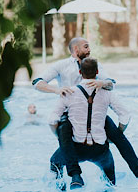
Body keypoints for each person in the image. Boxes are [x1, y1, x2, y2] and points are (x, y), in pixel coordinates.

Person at [33, 37, 138, 188]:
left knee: (118, 137)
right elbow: (37, 82)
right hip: (70, 116)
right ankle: (71, 179)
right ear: (76, 50)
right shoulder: (61, 65)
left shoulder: (93, 64)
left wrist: (103, 82)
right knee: (63, 132)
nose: (89, 49)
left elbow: (111, 83)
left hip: (95, 115)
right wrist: (57, 90)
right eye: (86, 47)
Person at [47, 57, 129, 188]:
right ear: (97, 72)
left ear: (80, 72)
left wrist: (60, 138)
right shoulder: (107, 93)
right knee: (109, 179)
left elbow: (52, 120)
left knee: (55, 163)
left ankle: (61, 188)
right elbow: (125, 115)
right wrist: (115, 135)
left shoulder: (69, 92)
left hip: (74, 149)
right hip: (100, 150)